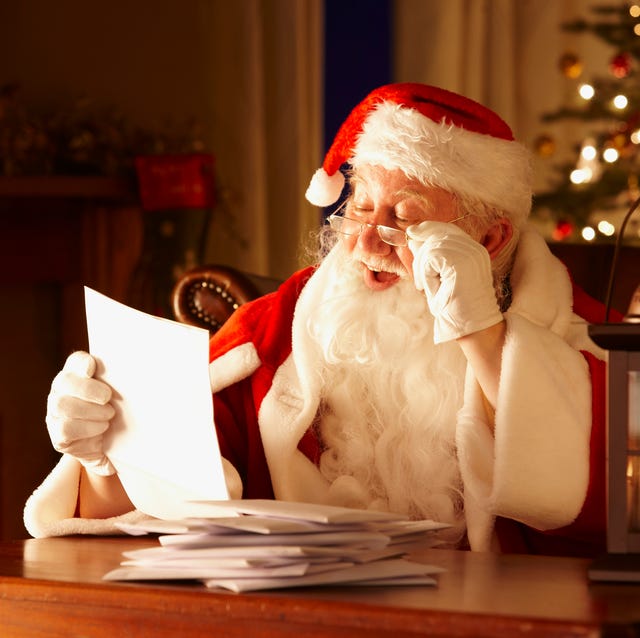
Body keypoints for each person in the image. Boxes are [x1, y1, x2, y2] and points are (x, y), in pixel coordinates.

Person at [24, 83, 610, 555]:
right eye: (359, 210)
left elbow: (607, 509)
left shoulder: (585, 337)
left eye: (405, 220)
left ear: (489, 237)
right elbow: (165, 493)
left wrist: (483, 335)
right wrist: (104, 455)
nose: (368, 244)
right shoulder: (277, 327)